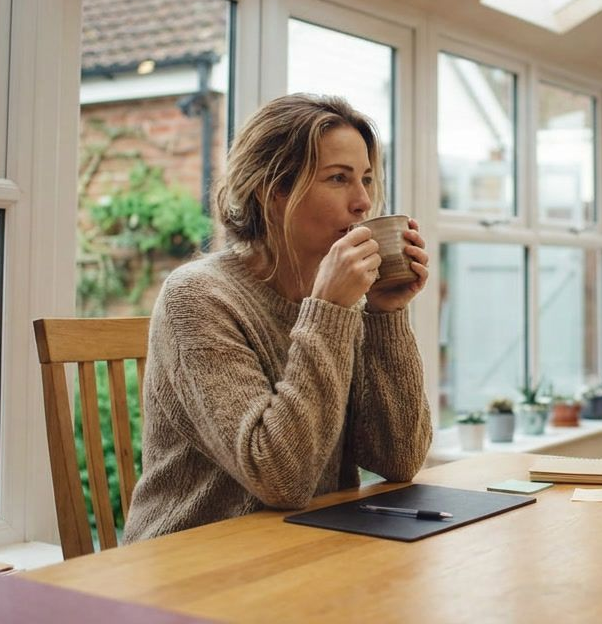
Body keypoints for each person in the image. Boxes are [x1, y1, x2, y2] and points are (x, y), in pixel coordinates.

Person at [123, 93, 433, 542]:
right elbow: (281, 477)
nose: (364, 201)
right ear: (272, 192)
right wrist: (329, 312)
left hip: (308, 546)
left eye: (365, 178)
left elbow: (399, 458)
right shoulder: (196, 297)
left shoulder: (341, 300)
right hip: (194, 562)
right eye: (338, 178)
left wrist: (386, 313)